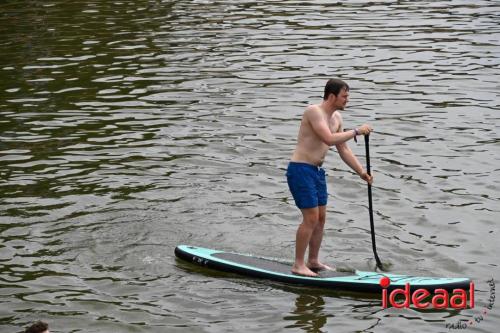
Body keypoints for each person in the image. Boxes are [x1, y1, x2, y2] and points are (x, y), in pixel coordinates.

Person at [286, 78, 373, 277]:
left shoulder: (337, 119)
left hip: (317, 172)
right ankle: (298, 265)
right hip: (300, 169)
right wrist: (357, 131)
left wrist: (361, 172)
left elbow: (342, 148)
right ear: (332, 96)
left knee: (321, 218)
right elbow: (328, 138)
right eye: (344, 96)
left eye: (348, 96)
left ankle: (313, 261)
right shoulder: (313, 111)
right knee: (310, 218)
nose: (347, 100)